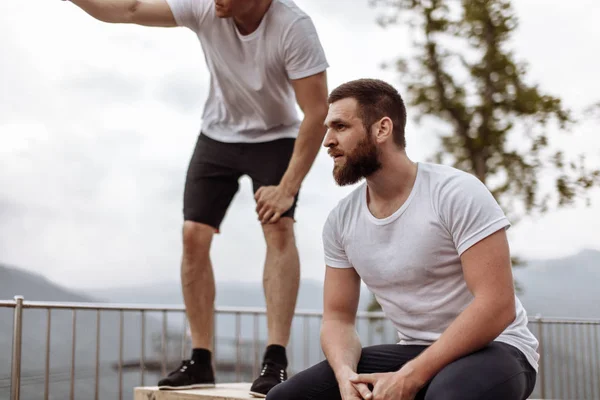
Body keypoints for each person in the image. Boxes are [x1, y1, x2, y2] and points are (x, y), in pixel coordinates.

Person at [61, 0, 329, 396]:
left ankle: (276, 359)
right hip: (217, 134)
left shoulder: (293, 27)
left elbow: (317, 110)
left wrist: (287, 187)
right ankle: (200, 360)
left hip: (276, 137)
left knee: (278, 227)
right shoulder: (207, 8)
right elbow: (129, 9)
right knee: (192, 236)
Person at [267, 78, 539, 400]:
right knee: (286, 398)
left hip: (497, 347)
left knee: (445, 396)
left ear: (382, 129)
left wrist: (410, 376)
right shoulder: (341, 221)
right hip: (413, 351)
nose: (327, 140)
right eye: (328, 128)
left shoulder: (456, 193)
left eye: (340, 126)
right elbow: (338, 318)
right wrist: (345, 377)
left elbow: (497, 306)